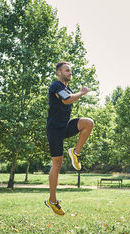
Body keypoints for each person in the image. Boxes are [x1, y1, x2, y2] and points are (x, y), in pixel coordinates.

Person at [45, 61, 94, 216]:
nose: (70, 72)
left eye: (71, 70)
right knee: (57, 164)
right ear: (59, 73)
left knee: (88, 123)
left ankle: (75, 152)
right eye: (67, 70)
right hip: (54, 130)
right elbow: (66, 100)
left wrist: (77, 93)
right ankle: (52, 201)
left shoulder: (68, 89)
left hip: (64, 126)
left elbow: (69, 97)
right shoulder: (55, 86)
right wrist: (81, 93)